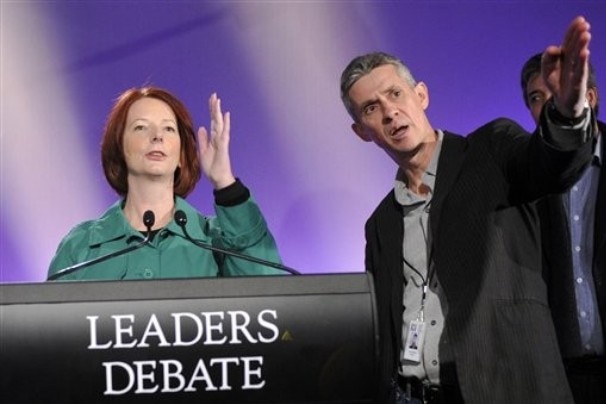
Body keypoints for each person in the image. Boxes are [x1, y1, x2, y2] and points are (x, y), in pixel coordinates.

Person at [339, 16, 595, 404]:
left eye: (395, 94)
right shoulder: (380, 223)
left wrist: (569, 111)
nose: (390, 112)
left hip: (508, 390)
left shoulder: (490, 150)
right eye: (371, 108)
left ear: (421, 95)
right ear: (362, 131)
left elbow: (552, 164)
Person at [48, 87, 286, 280]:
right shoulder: (81, 246)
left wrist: (225, 182)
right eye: (141, 127)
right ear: (118, 147)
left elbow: (271, 299)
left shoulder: (217, 241)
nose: (157, 136)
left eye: (169, 129)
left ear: (182, 155)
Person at [521, 52, 605, 404]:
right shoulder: (523, 176)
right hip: (555, 376)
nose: (547, 105)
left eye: (560, 90)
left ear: (590, 96)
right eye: (536, 98)